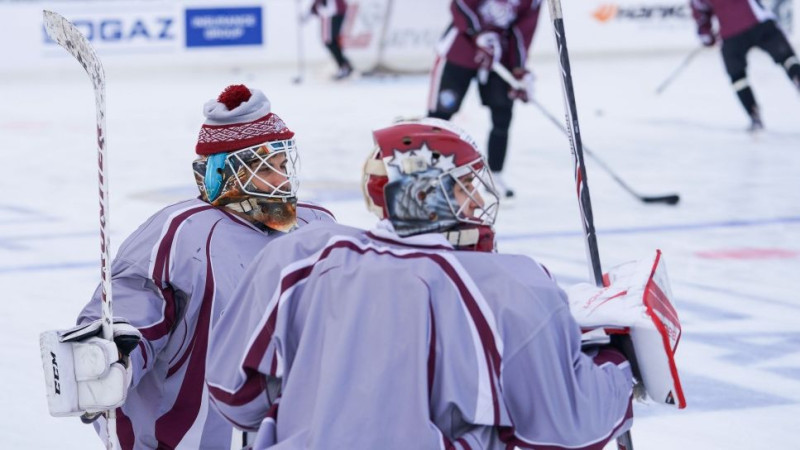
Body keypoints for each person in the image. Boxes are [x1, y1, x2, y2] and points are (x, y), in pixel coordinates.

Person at [205, 118, 686, 449]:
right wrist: (617, 365)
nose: (478, 199)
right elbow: (565, 428)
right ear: (422, 192)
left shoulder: (298, 256)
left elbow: (232, 392)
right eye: (464, 185)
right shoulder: (513, 286)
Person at [39, 84, 335, 449]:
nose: (282, 179)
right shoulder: (181, 233)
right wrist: (111, 354)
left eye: (283, 164)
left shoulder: (317, 227)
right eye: (265, 168)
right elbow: (134, 309)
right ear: (223, 172)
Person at [427, 0, 541, 198]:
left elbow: (523, 31)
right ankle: (427, 170)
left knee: (502, 114)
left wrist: (518, 69)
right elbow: (460, 4)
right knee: (440, 114)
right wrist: (477, 33)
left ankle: (495, 175)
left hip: (500, 55)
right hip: (460, 49)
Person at [691, 0, 800, 131]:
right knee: (787, 59)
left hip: (732, 32)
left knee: (737, 76)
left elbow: (701, 12)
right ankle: (796, 77)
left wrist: (706, 35)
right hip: (759, 23)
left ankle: (753, 114)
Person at [306, 0, 353, 80]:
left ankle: (344, 66)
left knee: (331, 41)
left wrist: (311, 12)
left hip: (335, 13)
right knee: (329, 41)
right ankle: (344, 65)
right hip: (329, 15)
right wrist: (309, 13)